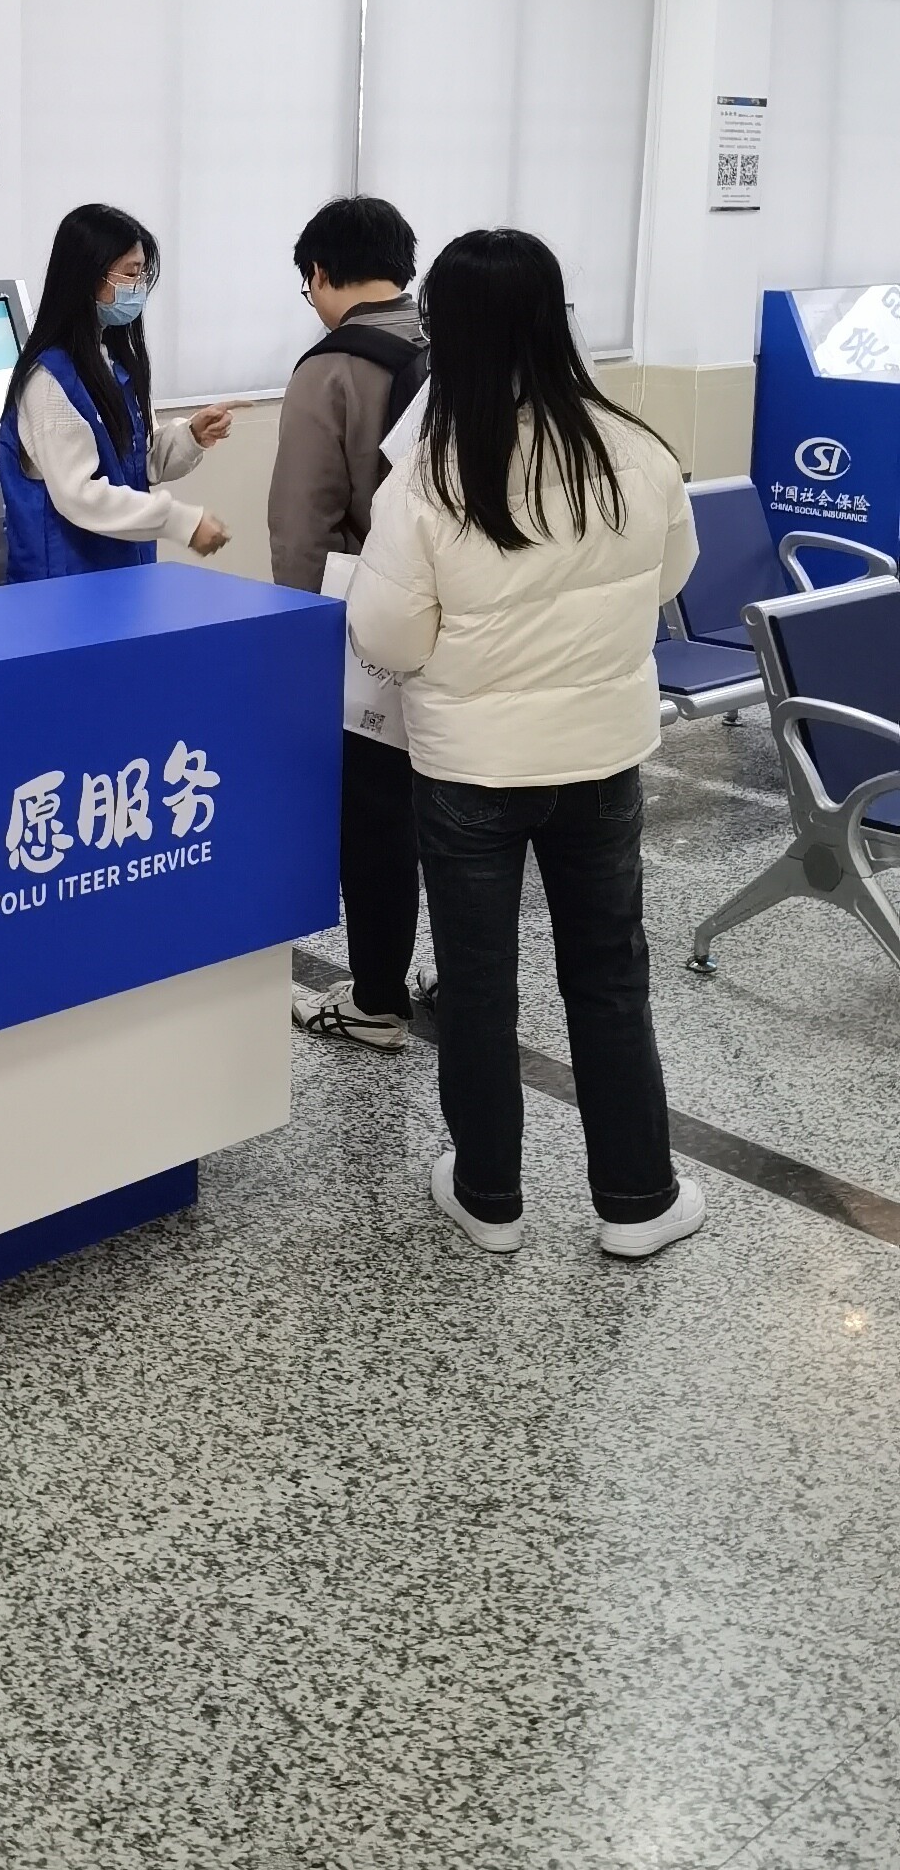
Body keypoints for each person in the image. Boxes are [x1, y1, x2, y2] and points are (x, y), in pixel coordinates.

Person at [349, 226, 704, 1265]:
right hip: (600, 759)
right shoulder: (634, 448)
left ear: (447, 333)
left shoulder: (428, 476)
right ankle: (637, 1200)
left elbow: (386, 639)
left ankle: (488, 1197)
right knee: (609, 973)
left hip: (470, 768)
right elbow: (671, 577)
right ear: (555, 320)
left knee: (476, 980)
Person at [268, 195, 426, 1050]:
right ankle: (457, 972)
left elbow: (303, 527)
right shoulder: (460, 343)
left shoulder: (330, 370)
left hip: (374, 627)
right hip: (472, 622)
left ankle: (375, 1000)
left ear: (321, 274)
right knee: (454, 807)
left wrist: (301, 648)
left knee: (373, 815)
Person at [0, 204, 233, 580]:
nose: (138, 288)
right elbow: (80, 496)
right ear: (89, 276)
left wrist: (190, 436)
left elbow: (138, 463)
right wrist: (180, 521)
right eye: (131, 273)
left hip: (120, 576)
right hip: (63, 586)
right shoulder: (49, 380)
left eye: (142, 275)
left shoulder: (113, 362)